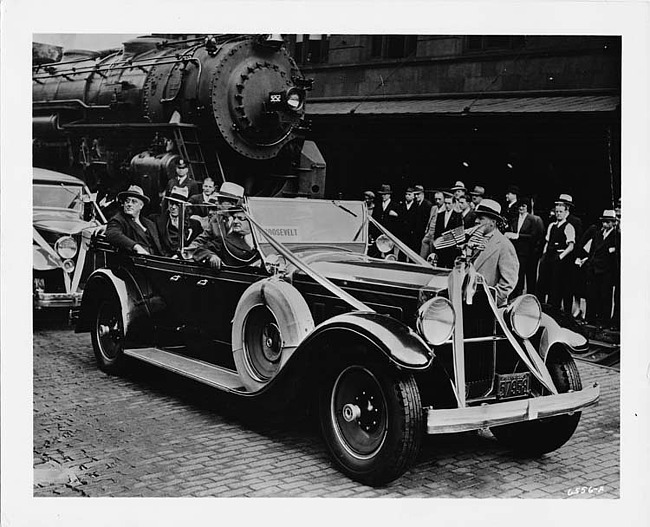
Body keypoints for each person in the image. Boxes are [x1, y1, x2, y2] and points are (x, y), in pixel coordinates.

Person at [471, 199, 520, 306]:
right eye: (476, 217)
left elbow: (508, 282)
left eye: (481, 218)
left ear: (493, 222)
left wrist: (491, 299)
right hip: (467, 302)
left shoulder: (504, 245)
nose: (476, 221)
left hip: (489, 308)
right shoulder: (472, 240)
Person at [577, 210, 619, 327]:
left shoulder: (616, 236)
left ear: (613, 223)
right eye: (603, 222)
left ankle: (603, 321)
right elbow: (592, 251)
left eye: (607, 222)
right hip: (594, 269)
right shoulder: (598, 234)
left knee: (605, 296)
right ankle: (590, 319)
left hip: (606, 271)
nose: (605, 224)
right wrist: (589, 264)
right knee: (592, 294)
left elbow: (615, 257)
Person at [189, 209, 260, 270]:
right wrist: (211, 256)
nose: (235, 222)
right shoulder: (226, 240)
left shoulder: (262, 239)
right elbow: (200, 250)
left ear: (252, 221)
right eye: (234, 218)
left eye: (240, 218)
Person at [539, 199, 576, 312]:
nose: (558, 214)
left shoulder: (569, 226)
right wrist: (544, 254)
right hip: (549, 256)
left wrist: (560, 257)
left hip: (559, 258)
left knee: (557, 285)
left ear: (566, 212)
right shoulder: (552, 226)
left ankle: (556, 310)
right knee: (545, 283)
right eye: (557, 211)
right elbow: (547, 241)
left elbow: (571, 246)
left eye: (561, 211)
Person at [105, 185, 164, 255]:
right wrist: (136, 247)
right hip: (135, 262)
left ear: (141, 205)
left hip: (156, 261)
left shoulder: (149, 223)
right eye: (127, 201)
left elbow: (160, 245)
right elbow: (113, 234)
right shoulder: (118, 220)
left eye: (134, 201)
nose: (129, 204)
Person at [504, 198, 544, 297]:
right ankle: (517, 297)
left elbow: (536, 236)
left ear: (527, 207)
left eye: (524, 206)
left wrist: (518, 236)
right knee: (518, 276)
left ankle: (530, 298)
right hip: (518, 253)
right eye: (519, 206)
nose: (521, 208)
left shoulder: (534, 219)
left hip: (530, 254)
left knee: (531, 278)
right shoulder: (514, 220)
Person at [149, 186, 203, 257]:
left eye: (177, 204)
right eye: (171, 203)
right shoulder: (156, 220)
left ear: (184, 206)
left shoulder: (195, 225)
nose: (173, 207)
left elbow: (200, 245)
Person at [433, 193, 463, 268]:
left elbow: (458, 233)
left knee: (450, 268)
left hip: (451, 248)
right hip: (440, 248)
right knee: (440, 267)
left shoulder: (457, 216)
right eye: (445, 203)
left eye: (449, 203)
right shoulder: (440, 215)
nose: (447, 205)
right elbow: (437, 231)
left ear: (453, 204)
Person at [420, 190, 444, 259]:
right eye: (436, 199)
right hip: (429, 232)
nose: (438, 201)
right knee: (423, 250)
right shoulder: (434, 208)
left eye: (439, 199)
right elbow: (430, 220)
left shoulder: (445, 209)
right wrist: (427, 230)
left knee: (432, 254)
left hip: (436, 234)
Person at [398, 187, 419, 252]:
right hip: (403, 232)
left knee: (412, 250)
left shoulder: (416, 206)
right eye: (406, 194)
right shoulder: (402, 205)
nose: (407, 196)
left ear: (413, 196)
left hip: (412, 232)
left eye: (409, 194)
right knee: (402, 250)